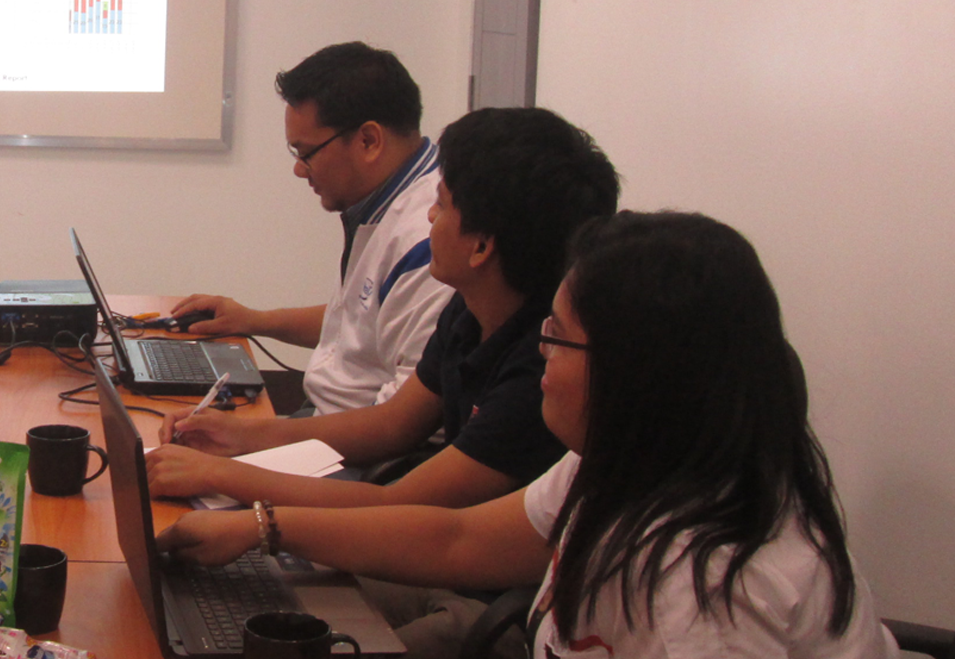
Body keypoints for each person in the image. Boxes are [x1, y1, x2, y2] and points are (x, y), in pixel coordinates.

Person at [158, 211, 900, 658]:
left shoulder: (709, 590)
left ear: (639, 374)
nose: (539, 354)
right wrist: (262, 529)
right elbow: (458, 542)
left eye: (561, 338)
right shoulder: (616, 465)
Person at [149, 107, 620, 658]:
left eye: (441, 207)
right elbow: (391, 425)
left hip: (472, 599)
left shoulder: (538, 374)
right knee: (214, 592)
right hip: (424, 557)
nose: (427, 221)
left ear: (482, 246)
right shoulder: (474, 309)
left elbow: (407, 512)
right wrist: (239, 440)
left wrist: (241, 497)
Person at [169, 42, 454, 420]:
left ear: (369, 140)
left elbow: (393, 427)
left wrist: (248, 442)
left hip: (357, 454)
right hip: (324, 423)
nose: (300, 170)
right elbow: (360, 321)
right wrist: (251, 319)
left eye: (305, 153)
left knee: (175, 468)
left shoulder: (430, 240)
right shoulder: (384, 202)